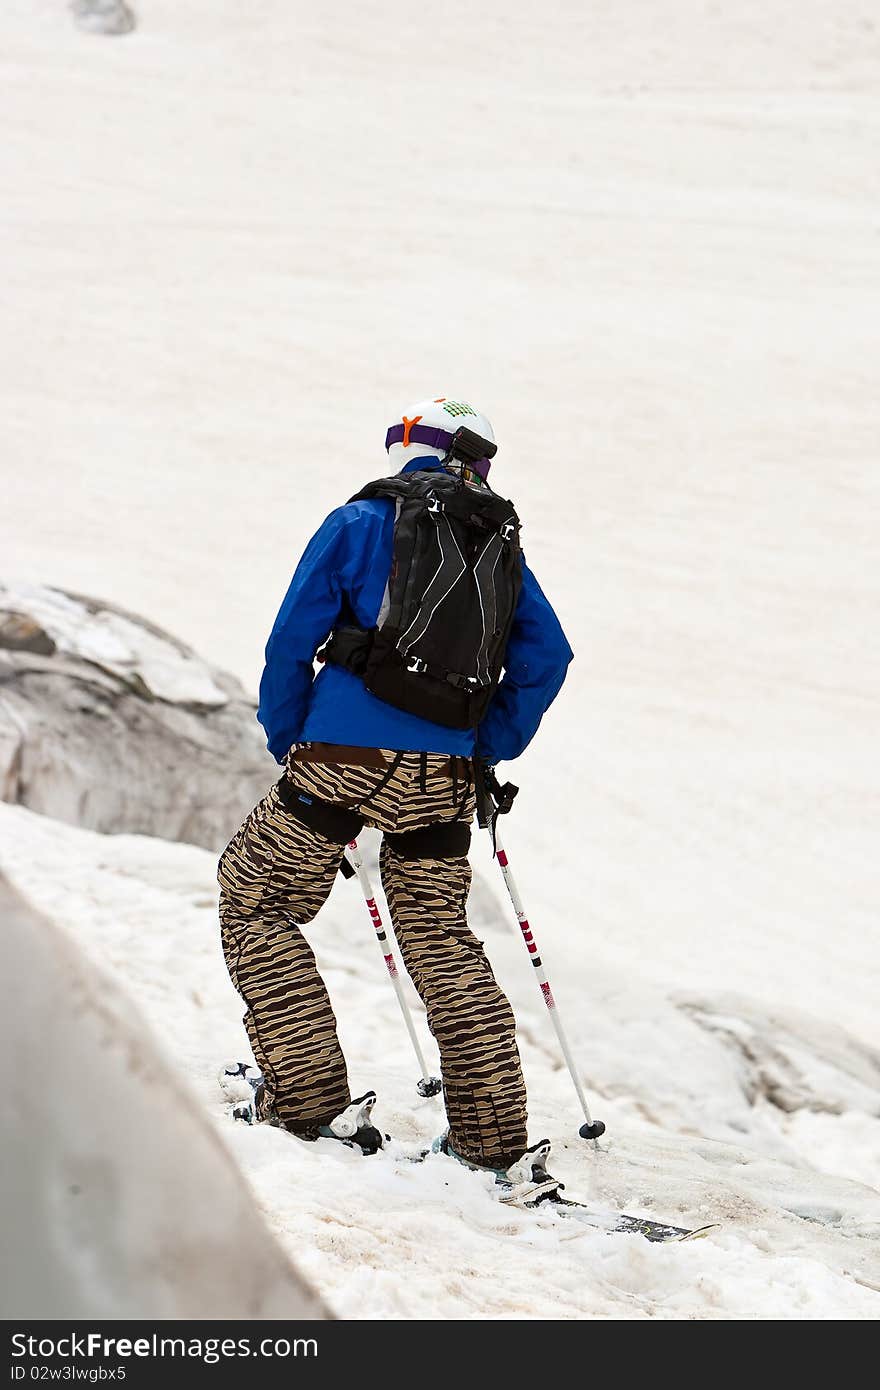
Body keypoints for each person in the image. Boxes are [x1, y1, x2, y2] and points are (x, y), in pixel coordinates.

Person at [218, 398, 573, 1180]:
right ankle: (490, 1140)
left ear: (402, 449)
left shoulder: (357, 522)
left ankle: (307, 1101)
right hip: (446, 773)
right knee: (441, 938)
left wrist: (289, 736)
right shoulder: (498, 544)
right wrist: (487, 745)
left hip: (341, 755)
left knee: (257, 897)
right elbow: (549, 655)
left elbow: (289, 641)